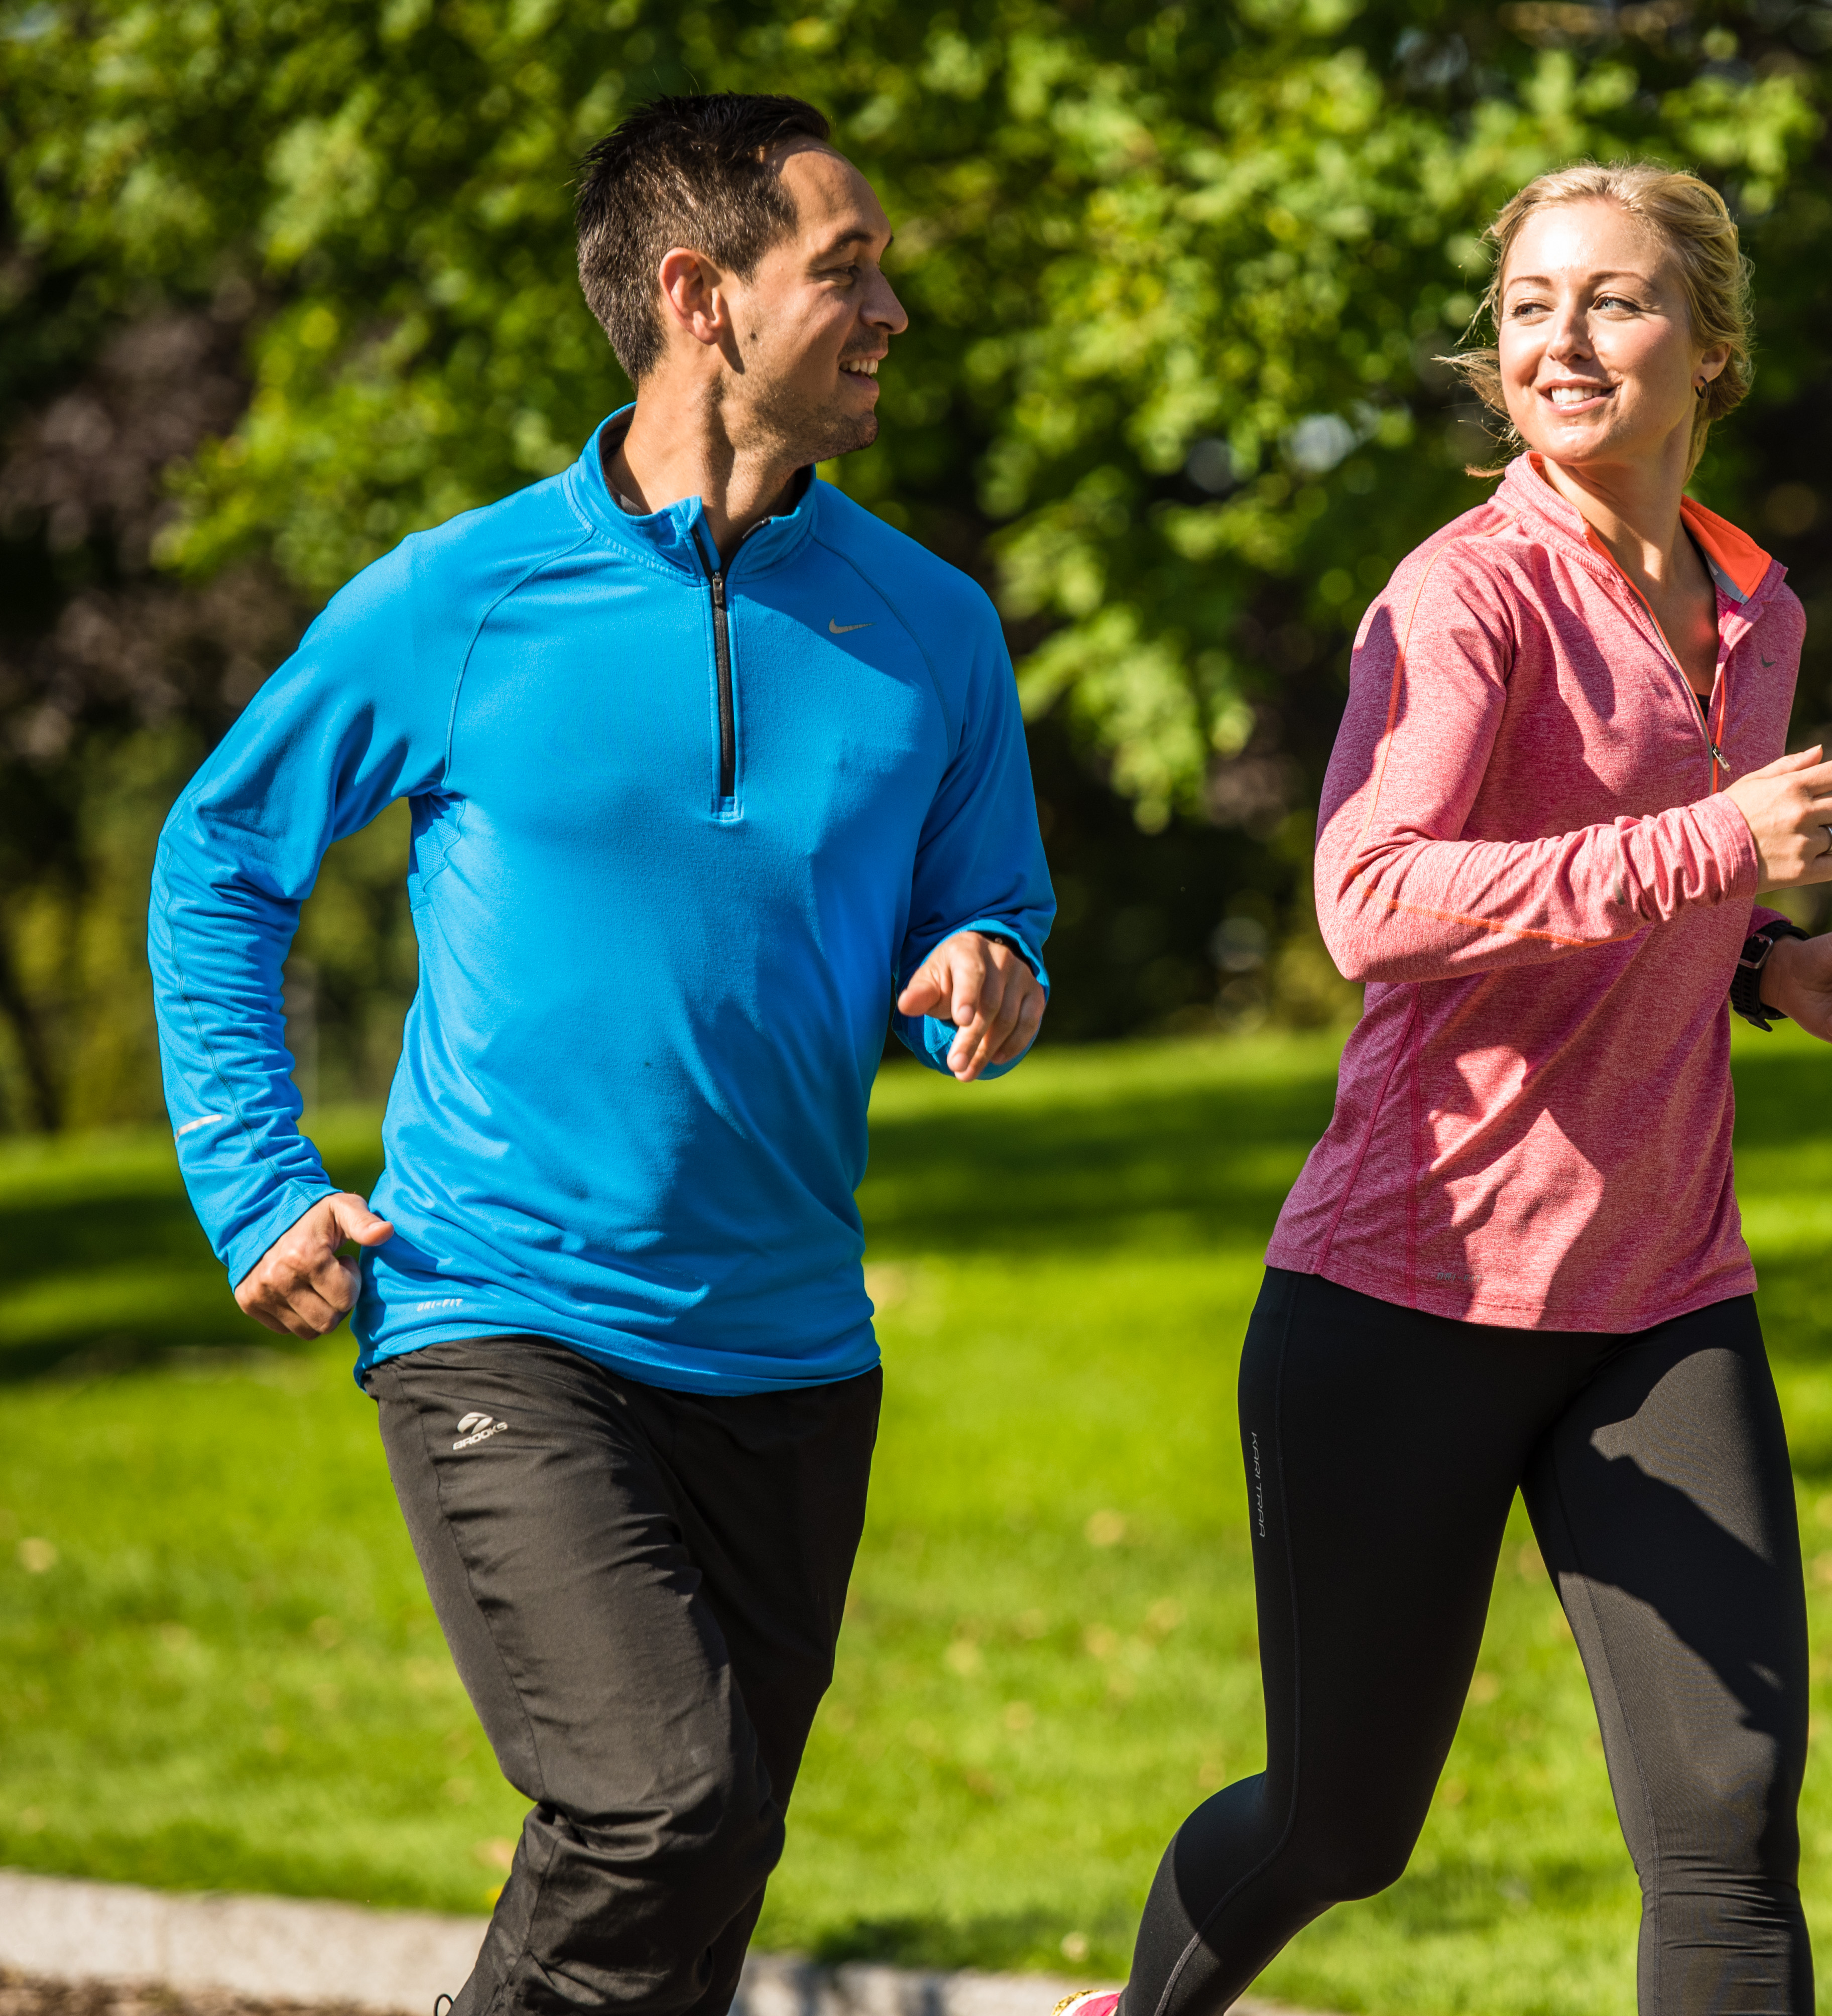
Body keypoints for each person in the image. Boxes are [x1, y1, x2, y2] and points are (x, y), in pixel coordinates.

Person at [148, 93, 1052, 2014]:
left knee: (700, 1905)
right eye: (850, 271)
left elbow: (995, 904)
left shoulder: (934, 628)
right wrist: (254, 1179)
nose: (895, 313)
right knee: (663, 1811)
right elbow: (219, 863)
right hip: (506, 1310)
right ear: (701, 296)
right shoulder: (458, 599)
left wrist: (991, 959)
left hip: (793, 1354)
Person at [1068, 162, 1832, 2016]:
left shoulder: (1753, 608)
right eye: (1532, 304)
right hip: (1415, 1290)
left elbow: (1630, 896)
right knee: (1340, 1826)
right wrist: (1717, 852)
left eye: (1616, 299)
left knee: (1729, 1836)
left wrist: (1764, 966)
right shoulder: (1467, 595)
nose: (1564, 338)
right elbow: (1372, 903)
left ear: (1711, 349)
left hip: (1660, 1290)